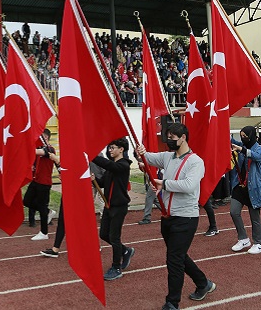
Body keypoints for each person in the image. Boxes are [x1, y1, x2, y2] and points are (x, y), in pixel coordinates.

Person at [136, 123, 215, 310]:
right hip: (167, 217)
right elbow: (147, 157)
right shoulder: (167, 157)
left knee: (174, 260)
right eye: (168, 137)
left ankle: (172, 303)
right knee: (178, 256)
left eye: (172, 137)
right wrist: (139, 151)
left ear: (183, 138)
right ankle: (203, 283)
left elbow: (188, 185)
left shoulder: (196, 162)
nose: (169, 141)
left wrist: (164, 183)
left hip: (186, 218)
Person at [91, 138, 135, 281]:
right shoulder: (111, 168)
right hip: (108, 205)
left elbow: (109, 165)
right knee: (104, 234)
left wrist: (91, 155)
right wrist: (94, 179)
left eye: (113, 148)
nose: (110, 150)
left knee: (114, 237)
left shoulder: (123, 165)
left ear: (121, 149)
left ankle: (116, 267)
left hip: (119, 206)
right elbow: (103, 182)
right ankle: (125, 250)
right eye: (109, 148)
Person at [229, 126, 261, 254]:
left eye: (245, 136)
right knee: (234, 212)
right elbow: (230, 141)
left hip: (254, 188)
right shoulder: (241, 145)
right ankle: (243, 239)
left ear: (251, 135)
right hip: (239, 186)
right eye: (241, 136)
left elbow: (256, 156)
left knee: (254, 218)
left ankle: (258, 243)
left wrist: (242, 149)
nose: (243, 138)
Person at [24, 129, 58, 241]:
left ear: (46, 137)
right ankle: (48, 212)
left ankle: (44, 232)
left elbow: (37, 152)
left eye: (40, 137)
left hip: (44, 183)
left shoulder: (50, 149)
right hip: (36, 181)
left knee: (42, 206)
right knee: (26, 201)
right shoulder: (40, 149)